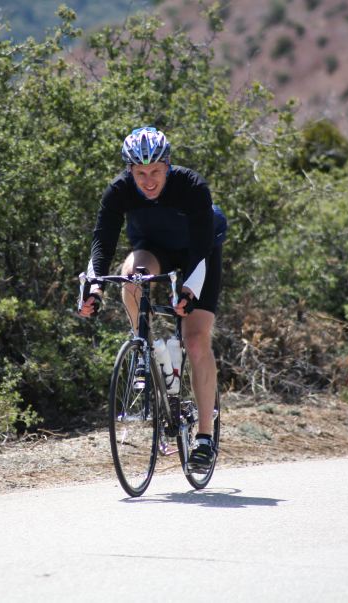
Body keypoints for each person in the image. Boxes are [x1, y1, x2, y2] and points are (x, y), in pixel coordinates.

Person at [78, 126, 227, 472]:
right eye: (140, 173)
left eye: (155, 172)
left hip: (198, 252)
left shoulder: (190, 186)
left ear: (168, 165)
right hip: (153, 250)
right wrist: (94, 288)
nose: (148, 181)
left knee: (195, 339)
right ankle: (141, 344)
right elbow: (102, 240)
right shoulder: (119, 192)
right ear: (129, 171)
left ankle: (204, 437)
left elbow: (202, 245)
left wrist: (187, 291)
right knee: (132, 278)